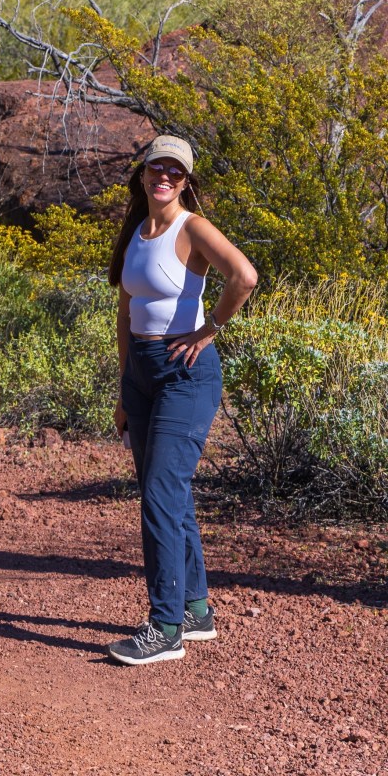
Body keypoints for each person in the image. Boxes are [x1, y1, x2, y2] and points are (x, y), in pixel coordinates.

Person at [106, 134, 258, 665]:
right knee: (170, 494)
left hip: (185, 376)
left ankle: (165, 627)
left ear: (186, 180)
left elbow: (244, 276)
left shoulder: (191, 227)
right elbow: (126, 313)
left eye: (175, 171)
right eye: (156, 169)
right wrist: (125, 387)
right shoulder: (136, 234)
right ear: (143, 174)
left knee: (159, 494)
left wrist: (210, 328)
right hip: (143, 375)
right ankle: (194, 610)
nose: (164, 177)